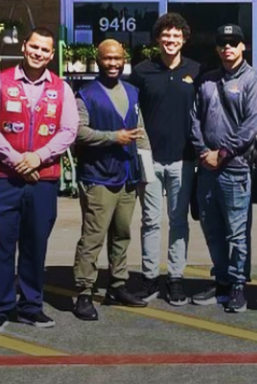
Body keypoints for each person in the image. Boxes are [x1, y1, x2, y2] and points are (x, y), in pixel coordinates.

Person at [0, 27, 79, 333]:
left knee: (36, 245)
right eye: (34, 47)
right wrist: (17, 160)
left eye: (45, 50)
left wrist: (37, 157)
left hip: (42, 179)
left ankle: (31, 306)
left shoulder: (62, 89)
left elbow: (69, 131)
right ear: (24, 46)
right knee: (0, 246)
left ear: (51, 54)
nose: (38, 53)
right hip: (1, 180)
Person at [71, 39, 151, 321]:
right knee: (92, 237)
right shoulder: (86, 94)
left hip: (127, 175)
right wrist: (112, 138)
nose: (113, 63)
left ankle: (117, 285)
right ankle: (84, 292)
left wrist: (146, 168)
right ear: (98, 59)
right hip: (98, 177)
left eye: (118, 58)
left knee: (122, 234)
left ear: (124, 58)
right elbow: (78, 132)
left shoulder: (132, 91)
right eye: (108, 58)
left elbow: (139, 129)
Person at [190, 24, 257, 313]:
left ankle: (237, 285)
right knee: (212, 228)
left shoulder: (253, 80)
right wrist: (202, 152)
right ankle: (220, 280)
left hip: (235, 169)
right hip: (206, 168)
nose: (228, 48)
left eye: (233, 42)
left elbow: (252, 125)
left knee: (236, 232)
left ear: (243, 46)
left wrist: (222, 153)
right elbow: (194, 118)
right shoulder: (207, 81)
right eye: (222, 43)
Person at [130, 13, 201, 306]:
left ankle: (175, 278)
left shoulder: (196, 71)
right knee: (150, 221)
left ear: (184, 39)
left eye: (176, 36)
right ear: (158, 39)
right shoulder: (142, 72)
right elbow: (131, 112)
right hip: (150, 159)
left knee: (178, 222)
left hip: (183, 159)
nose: (171, 41)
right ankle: (149, 278)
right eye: (166, 36)